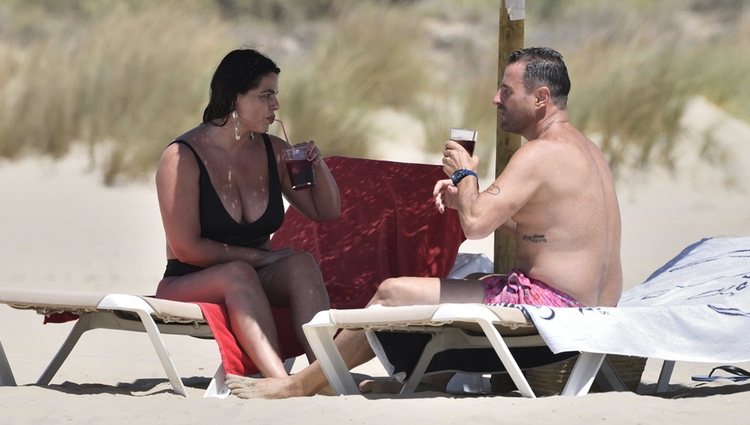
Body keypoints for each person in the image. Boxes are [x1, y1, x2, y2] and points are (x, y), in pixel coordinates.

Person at [225, 46, 622, 398]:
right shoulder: (585, 150)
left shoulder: (539, 154)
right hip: (595, 309)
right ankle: (425, 381)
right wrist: (462, 202)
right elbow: (543, 232)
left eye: (507, 91)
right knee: (467, 284)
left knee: (391, 293)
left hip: (552, 310)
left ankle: (300, 385)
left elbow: (476, 226)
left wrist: (465, 176)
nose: (495, 98)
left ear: (541, 98)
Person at [154, 48, 341, 381]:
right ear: (234, 98)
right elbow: (186, 248)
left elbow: (325, 211)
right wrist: (260, 258)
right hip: (188, 278)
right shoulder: (182, 158)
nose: (276, 106)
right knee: (238, 273)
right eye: (266, 95)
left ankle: (325, 375)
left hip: (252, 275)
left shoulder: (275, 151)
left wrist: (319, 165)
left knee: (300, 264)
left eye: (276, 96)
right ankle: (279, 383)